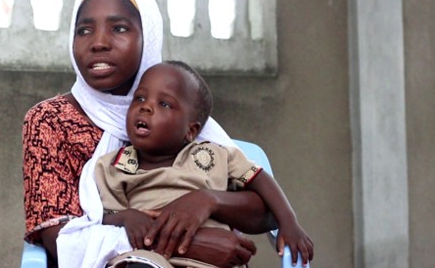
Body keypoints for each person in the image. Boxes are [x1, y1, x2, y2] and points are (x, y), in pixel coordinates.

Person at [22, 0, 277, 268]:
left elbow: (266, 212)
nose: (99, 43)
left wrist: (209, 200)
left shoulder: (178, 115)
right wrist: (189, 244)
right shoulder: (50, 121)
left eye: (119, 28)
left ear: (149, 37)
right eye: (84, 30)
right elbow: (59, 239)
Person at [94, 61, 314, 267]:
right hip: (150, 260)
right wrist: (125, 218)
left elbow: (259, 177)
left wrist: (289, 222)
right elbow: (99, 219)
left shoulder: (213, 155)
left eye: (164, 104)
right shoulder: (113, 166)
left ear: (191, 131)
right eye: (140, 98)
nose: (146, 108)